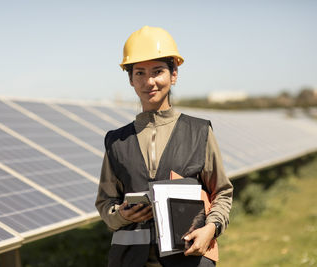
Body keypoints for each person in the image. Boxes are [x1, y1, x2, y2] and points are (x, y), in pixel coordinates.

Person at [95, 26, 233, 267]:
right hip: (129, 260)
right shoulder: (116, 141)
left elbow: (221, 192)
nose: (149, 81)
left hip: (189, 259)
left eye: (158, 71)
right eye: (139, 73)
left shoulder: (199, 132)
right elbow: (105, 202)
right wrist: (121, 216)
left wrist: (211, 228)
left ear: (174, 74)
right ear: (130, 79)